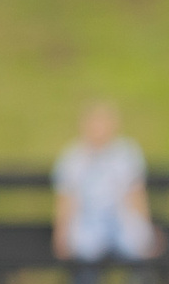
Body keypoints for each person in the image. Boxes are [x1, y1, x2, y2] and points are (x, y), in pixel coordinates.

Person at [53, 101, 160, 267]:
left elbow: (136, 195)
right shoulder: (72, 158)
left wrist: (146, 230)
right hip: (87, 223)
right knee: (84, 253)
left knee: (136, 248)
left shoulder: (127, 153)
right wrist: (61, 235)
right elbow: (66, 200)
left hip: (122, 221)